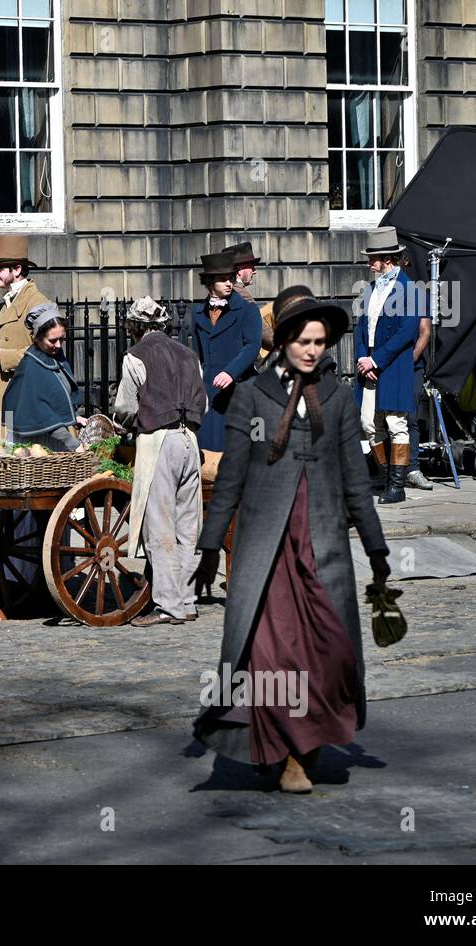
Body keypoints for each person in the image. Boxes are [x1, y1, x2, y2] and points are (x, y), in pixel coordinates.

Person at [192, 286, 392, 794]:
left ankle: (309, 743)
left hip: (321, 546)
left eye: (320, 341)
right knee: (273, 656)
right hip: (265, 550)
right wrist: (211, 547)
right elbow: (231, 476)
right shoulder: (252, 396)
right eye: (303, 340)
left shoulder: (339, 398)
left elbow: (356, 481)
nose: (312, 350)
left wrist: (377, 550)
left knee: (326, 650)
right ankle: (286, 755)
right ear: (282, 341)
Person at [112, 297, 208, 627]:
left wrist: (129, 422)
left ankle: (168, 605)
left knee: (161, 525)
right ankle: (188, 600)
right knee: (187, 526)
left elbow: (124, 407)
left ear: (135, 328)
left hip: (157, 441)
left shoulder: (135, 356)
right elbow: (203, 404)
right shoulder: (189, 355)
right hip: (189, 442)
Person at [353, 227, 422, 504]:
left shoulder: (410, 289)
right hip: (367, 364)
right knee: (369, 424)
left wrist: (376, 360)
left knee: (396, 423)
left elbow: (407, 332)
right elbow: (360, 327)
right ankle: (384, 476)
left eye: (374, 258)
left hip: (392, 366)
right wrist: (362, 357)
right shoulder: (370, 289)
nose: (370, 263)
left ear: (388, 260)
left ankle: (397, 485)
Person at [191, 251, 263, 475]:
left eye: (231, 278)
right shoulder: (197, 312)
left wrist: (230, 373)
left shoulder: (247, 309)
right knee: (208, 449)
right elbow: (196, 354)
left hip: (239, 386)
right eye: (223, 279)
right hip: (210, 389)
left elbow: (252, 346)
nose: (229, 283)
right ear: (210, 282)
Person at [0, 235, 50, 446]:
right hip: (4, 391)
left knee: (28, 461)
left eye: (0, 268)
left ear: (17, 270)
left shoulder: (38, 302)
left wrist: (4, 357)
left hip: (27, 394)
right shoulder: (10, 301)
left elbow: (45, 352)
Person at [1, 302, 85, 451]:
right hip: (33, 443)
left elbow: (56, 399)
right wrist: (72, 443)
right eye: (52, 340)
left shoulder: (56, 357)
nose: (58, 345)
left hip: (55, 439)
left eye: (61, 339)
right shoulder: (31, 367)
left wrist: (73, 416)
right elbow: (42, 414)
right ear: (37, 338)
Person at [222, 241, 276, 366]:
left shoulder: (224, 291)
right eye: (251, 266)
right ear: (239, 271)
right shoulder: (240, 293)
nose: (254, 271)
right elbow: (261, 330)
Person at [405, 312, 436, 490]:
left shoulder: (416, 297)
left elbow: (425, 332)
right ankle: (392, 471)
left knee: (411, 417)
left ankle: (412, 469)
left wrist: (411, 358)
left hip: (412, 365)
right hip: (387, 364)